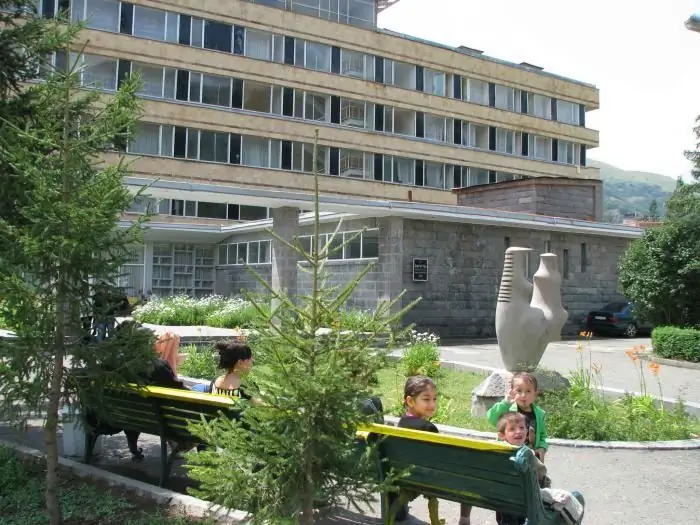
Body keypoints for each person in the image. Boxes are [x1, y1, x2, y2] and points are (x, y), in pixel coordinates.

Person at [389, 376, 471, 524]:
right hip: (430, 480)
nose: (432, 404)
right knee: (468, 476)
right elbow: (441, 458)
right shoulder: (428, 428)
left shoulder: (402, 424)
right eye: (426, 399)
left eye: (434, 399)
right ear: (410, 401)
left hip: (407, 476)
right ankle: (464, 518)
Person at [496, 412, 584, 525]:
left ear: (527, 431)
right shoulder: (525, 454)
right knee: (573, 497)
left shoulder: (497, 453)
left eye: (522, 427)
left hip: (502, 499)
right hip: (528, 499)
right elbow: (541, 476)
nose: (518, 431)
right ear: (502, 435)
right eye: (512, 429)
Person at [486, 372, 548, 462]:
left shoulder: (539, 414)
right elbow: (492, 418)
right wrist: (505, 403)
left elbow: (542, 435)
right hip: (507, 455)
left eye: (528, 391)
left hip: (529, 457)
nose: (523, 395)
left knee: (539, 473)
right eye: (519, 391)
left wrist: (542, 447)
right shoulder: (508, 409)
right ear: (512, 391)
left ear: (535, 393)